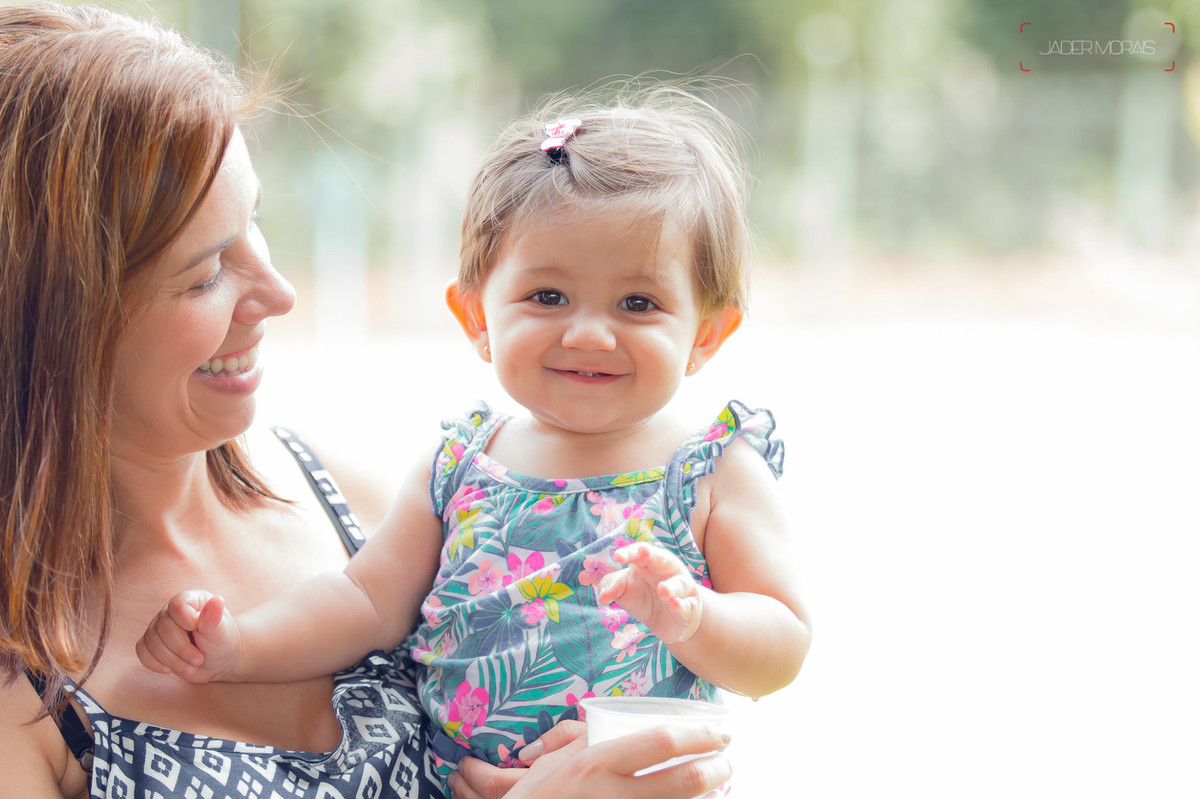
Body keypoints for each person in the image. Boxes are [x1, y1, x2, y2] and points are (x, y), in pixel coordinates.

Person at [0, 5, 736, 798]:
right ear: (51, 321)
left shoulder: (349, 495)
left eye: (254, 220)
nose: (279, 293)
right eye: (206, 272)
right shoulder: (24, 693)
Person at [136, 80, 813, 790]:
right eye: (548, 296)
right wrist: (242, 645)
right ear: (476, 317)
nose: (589, 332)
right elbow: (365, 600)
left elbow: (783, 643)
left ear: (706, 334)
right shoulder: (461, 464)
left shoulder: (710, 470)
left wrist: (696, 619)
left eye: (638, 302)